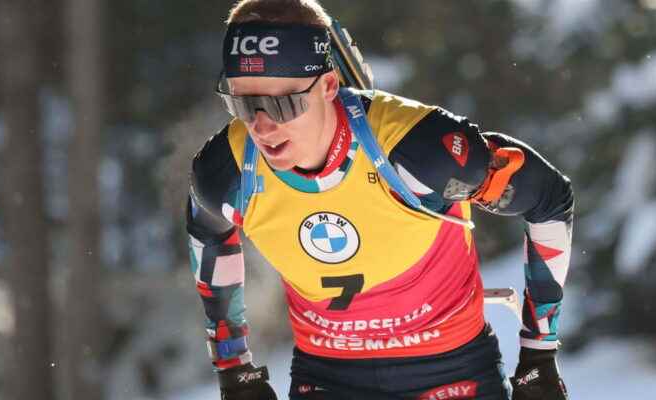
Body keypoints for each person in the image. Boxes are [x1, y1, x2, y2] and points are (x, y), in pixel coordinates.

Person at [186, 0, 574, 398]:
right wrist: (234, 370)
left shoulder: (419, 151)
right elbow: (209, 234)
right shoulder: (229, 170)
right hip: (328, 376)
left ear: (329, 86)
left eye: (284, 104)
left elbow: (547, 198)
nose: (262, 127)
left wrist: (539, 356)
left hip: (452, 371)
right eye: (243, 105)